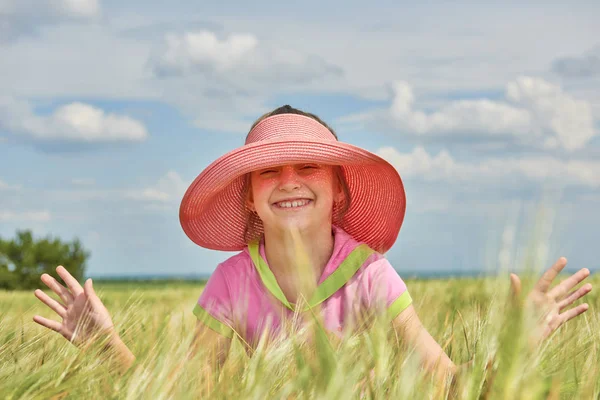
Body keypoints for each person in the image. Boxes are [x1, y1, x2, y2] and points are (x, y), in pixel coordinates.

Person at [32, 105, 592, 383]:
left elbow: (452, 391)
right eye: (268, 171)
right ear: (249, 197)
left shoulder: (371, 278)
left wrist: (519, 348)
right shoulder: (232, 282)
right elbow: (184, 397)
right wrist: (104, 343)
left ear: (338, 191)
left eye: (309, 168)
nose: (289, 180)